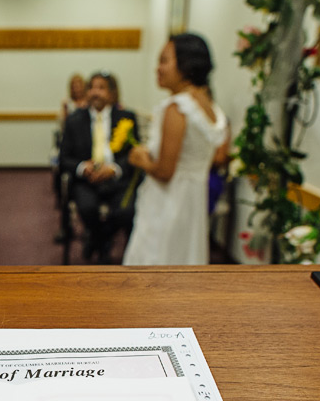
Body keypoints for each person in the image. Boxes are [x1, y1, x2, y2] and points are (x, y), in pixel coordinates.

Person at [123, 33, 228, 266]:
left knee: (157, 261)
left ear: (186, 64)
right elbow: (217, 156)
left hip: (167, 202)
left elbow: (164, 171)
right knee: (184, 259)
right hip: (193, 201)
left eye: (164, 60)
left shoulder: (177, 107)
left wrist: (141, 159)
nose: (157, 68)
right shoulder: (212, 108)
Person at [59, 71, 139, 264]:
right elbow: (63, 159)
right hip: (87, 181)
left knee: (125, 212)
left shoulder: (126, 118)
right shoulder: (74, 120)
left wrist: (114, 169)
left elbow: (133, 155)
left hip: (116, 180)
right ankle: (102, 242)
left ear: (112, 93)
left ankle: (97, 240)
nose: (96, 92)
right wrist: (81, 167)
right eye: (92, 87)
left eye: (101, 88)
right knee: (87, 208)